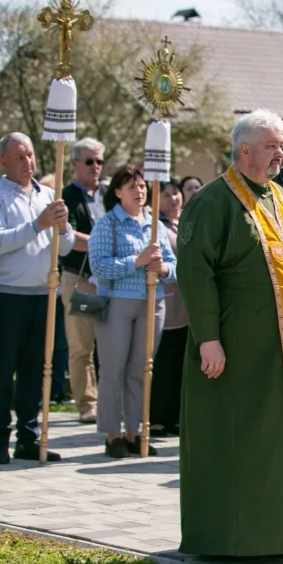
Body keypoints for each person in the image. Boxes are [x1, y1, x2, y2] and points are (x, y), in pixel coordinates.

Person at [176, 110, 283, 557]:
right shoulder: (211, 202)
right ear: (244, 150)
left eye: (282, 146)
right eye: (271, 146)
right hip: (240, 352)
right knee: (246, 442)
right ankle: (239, 539)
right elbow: (195, 272)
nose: (281, 155)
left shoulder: (281, 199)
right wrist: (208, 337)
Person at [0, 132, 75, 464]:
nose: (28, 162)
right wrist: (37, 225)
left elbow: (67, 247)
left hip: (43, 295)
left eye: (30, 155)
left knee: (35, 369)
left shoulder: (46, 195)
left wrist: (63, 226)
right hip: (7, 295)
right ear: (3, 162)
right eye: (19, 157)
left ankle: (29, 437)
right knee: (2, 371)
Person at [89, 165, 175, 459]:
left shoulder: (155, 225)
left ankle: (135, 431)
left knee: (141, 371)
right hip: (116, 301)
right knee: (114, 370)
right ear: (117, 192)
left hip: (152, 301)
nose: (139, 192)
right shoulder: (107, 224)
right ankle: (112, 434)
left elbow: (173, 264)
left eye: (141, 186)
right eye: (131, 187)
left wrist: (163, 268)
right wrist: (135, 262)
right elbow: (98, 266)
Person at [59, 137, 106, 424]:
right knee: (81, 347)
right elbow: (68, 238)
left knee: (111, 345)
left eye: (99, 161)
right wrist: (104, 244)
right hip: (81, 280)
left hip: (111, 282)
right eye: (89, 161)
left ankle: (111, 402)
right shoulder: (66, 196)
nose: (95, 167)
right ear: (75, 163)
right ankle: (87, 404)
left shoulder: (109, 193)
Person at [149, 178, 187, 437]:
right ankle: (157, 417)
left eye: (176, 194)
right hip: (167, 301)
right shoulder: (156, 227)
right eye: (166, 195)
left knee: (179, 365)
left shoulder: (186, 221)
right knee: (163, 364)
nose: (173, 199)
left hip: (187, 305)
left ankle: (175, 416)